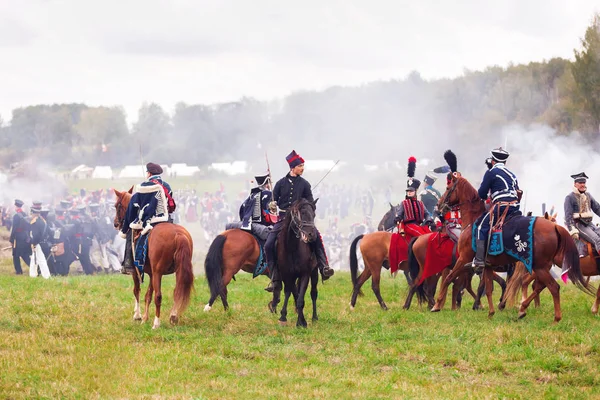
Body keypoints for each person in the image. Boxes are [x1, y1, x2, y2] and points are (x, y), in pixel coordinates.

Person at [263, 150, 334, 292]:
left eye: (303, 166)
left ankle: (323, 267)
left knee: (316, 238)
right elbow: (272, 202)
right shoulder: (280, 184)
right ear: (293, 167)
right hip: (283, 220)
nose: (302, 168)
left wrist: (307, 209)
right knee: (269, 245)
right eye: (300, 165)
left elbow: (310, 202)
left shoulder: (305, 184)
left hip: (300, 221)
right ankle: (275, 277)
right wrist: (271, 205)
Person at [120, 162, 174, 275]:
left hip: (149, 222)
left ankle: (128, 264)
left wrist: (125, 229)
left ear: (149, 173)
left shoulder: (142, 186)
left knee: (130, 234)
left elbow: (132, 209)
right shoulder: (167, 186)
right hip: (165, 219)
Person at [474, 147, 522, 268]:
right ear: (505, 162)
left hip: (501, 206)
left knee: (481, 227)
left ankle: (479, 260)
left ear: (493, 161)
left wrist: (486, 196)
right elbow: (517, 191)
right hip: (515, 206)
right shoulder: (512, 174)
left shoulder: (491, 172)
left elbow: (481, 193)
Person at [394, 157, 435, 239]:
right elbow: (399, 214)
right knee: (422, 237)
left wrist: (428, 219)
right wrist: (398, 217)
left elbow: (426, 213)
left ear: (415, 191)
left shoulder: (420, 203)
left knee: (431, 235)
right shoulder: (403, 203)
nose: (409, 192)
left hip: (418, 225)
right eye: (408, 191)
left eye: (411, 191)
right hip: (408, 226)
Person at [564, 172, 600, 256]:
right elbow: (568, 216)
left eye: (584, 182)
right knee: (597, 240)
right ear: (575, 184)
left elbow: (598, 209)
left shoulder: (588, 195)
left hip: (590, 224)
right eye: (580, 183)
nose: (582, 184)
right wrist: (572, 230)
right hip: (579, 225)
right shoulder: (569, 197)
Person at [29, 203, 51, 279]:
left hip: (38, 243)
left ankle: (46, 276)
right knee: (34, 259)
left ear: (33, 213)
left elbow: (36, 235)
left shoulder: (34, 222)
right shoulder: (42, 221)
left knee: (41, 261)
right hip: (42, 242)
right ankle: (32, 274)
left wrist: (33, 243)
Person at [9, 199, 31, 275]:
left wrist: (11, 240)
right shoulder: (25, 214)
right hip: (24, 237)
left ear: (16, 206)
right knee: (25, 254)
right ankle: (33, 267)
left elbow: (14, 229)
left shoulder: (16, 216)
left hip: (17, 238)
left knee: (16, 255)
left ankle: (18, 271)